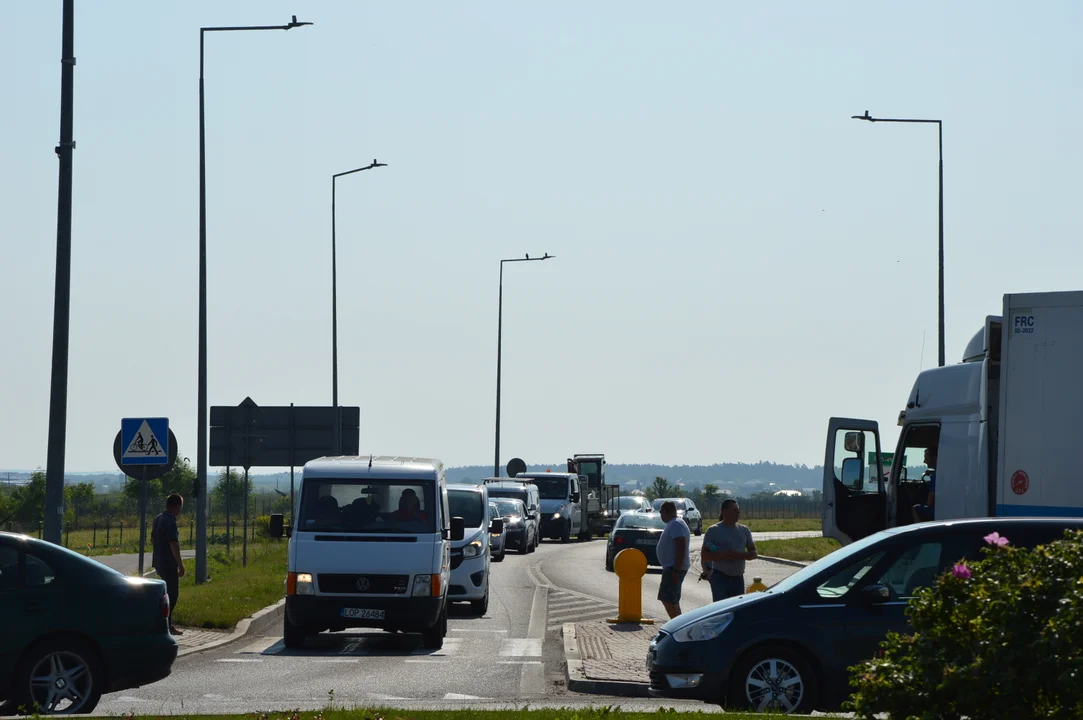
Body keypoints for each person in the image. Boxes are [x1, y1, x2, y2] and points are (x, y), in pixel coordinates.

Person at [700, 499, 757, 602]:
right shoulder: (713, 530)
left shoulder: (744, 530)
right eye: (734, 510)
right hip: (720, 578)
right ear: (724, 511)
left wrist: (739, 555)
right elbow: (704, 555)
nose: (738, 513)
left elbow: (753, 553)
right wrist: (722, 555)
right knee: (722, 611)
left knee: (737, 610)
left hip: (738, 579)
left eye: (738, 510)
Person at [152, 493, 186, 635]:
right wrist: (180, 564)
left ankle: (164, 623)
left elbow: (152, 540)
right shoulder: (170, 521)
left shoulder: (158, 518)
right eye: (180, 506)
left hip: (159, 561)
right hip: (168, 563)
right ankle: (166, 625)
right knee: (172, 594)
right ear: (177, 506)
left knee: (164, 593)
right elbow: (174, 544)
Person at [655, 500, 691, 619]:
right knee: (673, 600)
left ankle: (676, 626)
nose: (661, 516)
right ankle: (679, 624)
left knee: (667, 599)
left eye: (661, 513)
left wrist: (676, 569)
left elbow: (681, 546)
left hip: (673, 568)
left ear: (665, 512)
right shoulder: (675, 523)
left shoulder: (675, 524)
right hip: (672, 567)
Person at [912, 446, 938, 523]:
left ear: (934, 458)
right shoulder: (940, 473)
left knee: (915, 508)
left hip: (937, 511)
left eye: (926, 458)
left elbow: (930, 502)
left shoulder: (936, 476)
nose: (924, 461)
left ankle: (919, 530)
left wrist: (925, 503)